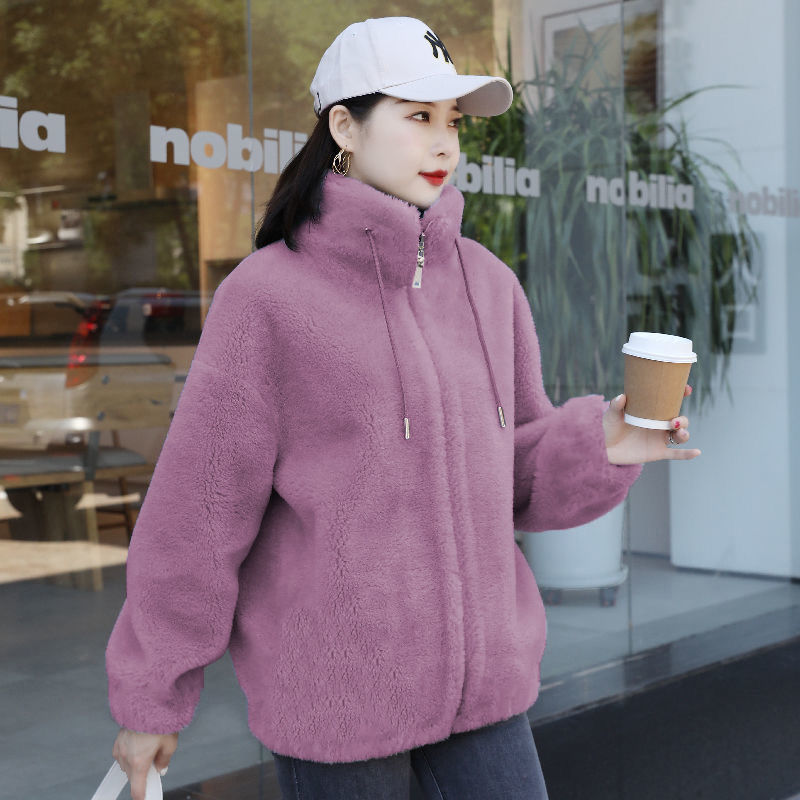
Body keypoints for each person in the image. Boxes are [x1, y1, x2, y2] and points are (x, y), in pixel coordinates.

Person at [106, 16, 701, 800]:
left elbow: (510, 471)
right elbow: (200, 514)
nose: (444, 144)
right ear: (344, 127)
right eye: (418, 117)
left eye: (453, 122)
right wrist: (155, 696)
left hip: (487, 691)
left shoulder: (491, 287)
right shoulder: (268, 297)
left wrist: (608, 440)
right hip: (338, 703)